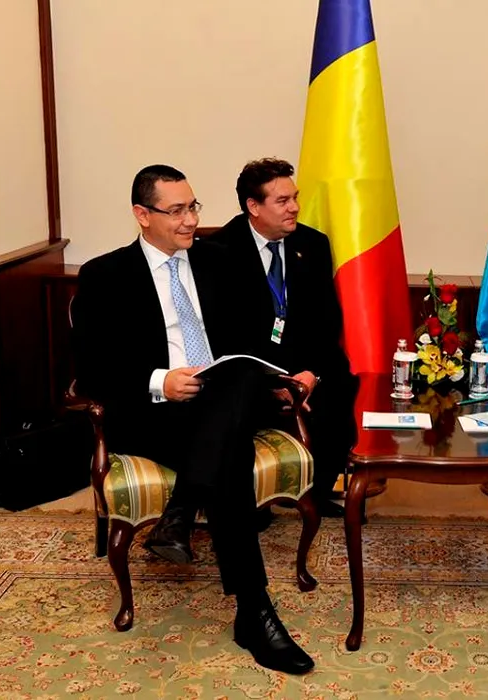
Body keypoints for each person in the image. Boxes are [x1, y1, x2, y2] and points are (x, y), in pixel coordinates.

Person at [72, 164, 314, 675]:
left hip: (219, 401)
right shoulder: (104, 275)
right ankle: (254, 613)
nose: (190, 220)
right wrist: (161, 381)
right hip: (153, 414)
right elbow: (93, 369)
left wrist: (280, 371)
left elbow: (251, 339)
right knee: (230, 455)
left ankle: (183, 515)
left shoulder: (218, 261)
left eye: (193, 207)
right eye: (177, 210)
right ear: (143, 215)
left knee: (237, 385)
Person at [210, 158, 358, 518]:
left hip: (303, 361)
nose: (294, 207)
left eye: (295, 197)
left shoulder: (313, 244)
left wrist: (311, 374)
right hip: (251, 367)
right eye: (282, 201)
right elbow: (222, 332)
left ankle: (317, 492)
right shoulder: (219, 250)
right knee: (237, 395)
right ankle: (253, 501)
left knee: (341, 380)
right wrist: (271, 382)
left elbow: (327, 320)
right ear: (253, 206)